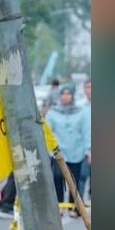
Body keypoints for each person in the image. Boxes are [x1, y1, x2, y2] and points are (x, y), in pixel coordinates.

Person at [45, 83, 91, 216]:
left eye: (68, 94)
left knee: (75, 181)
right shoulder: (53, 113)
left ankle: (73, 207)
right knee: (58, 179)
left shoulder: (81, 112)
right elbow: (47, 132)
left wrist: (88, 149)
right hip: (58, 153)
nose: (65, 97)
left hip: (76, 151)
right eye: (63, 94)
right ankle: (59, 206)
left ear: (72, 95)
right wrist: (49, 151)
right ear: (59, 96)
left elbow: (86, 131)